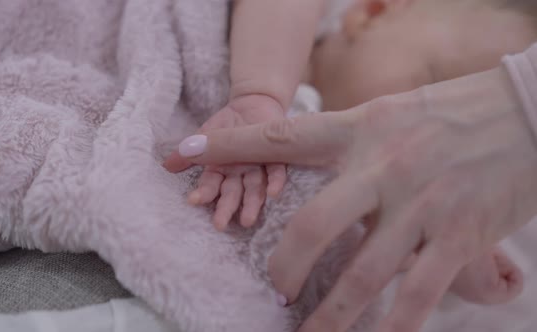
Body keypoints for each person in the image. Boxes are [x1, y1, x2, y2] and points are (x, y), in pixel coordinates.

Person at [165, 0, 537, 331]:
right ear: (372, 13)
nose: (434, 150)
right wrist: (259, 93)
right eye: (432, 87)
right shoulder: (318, 23)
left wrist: (463, 264)